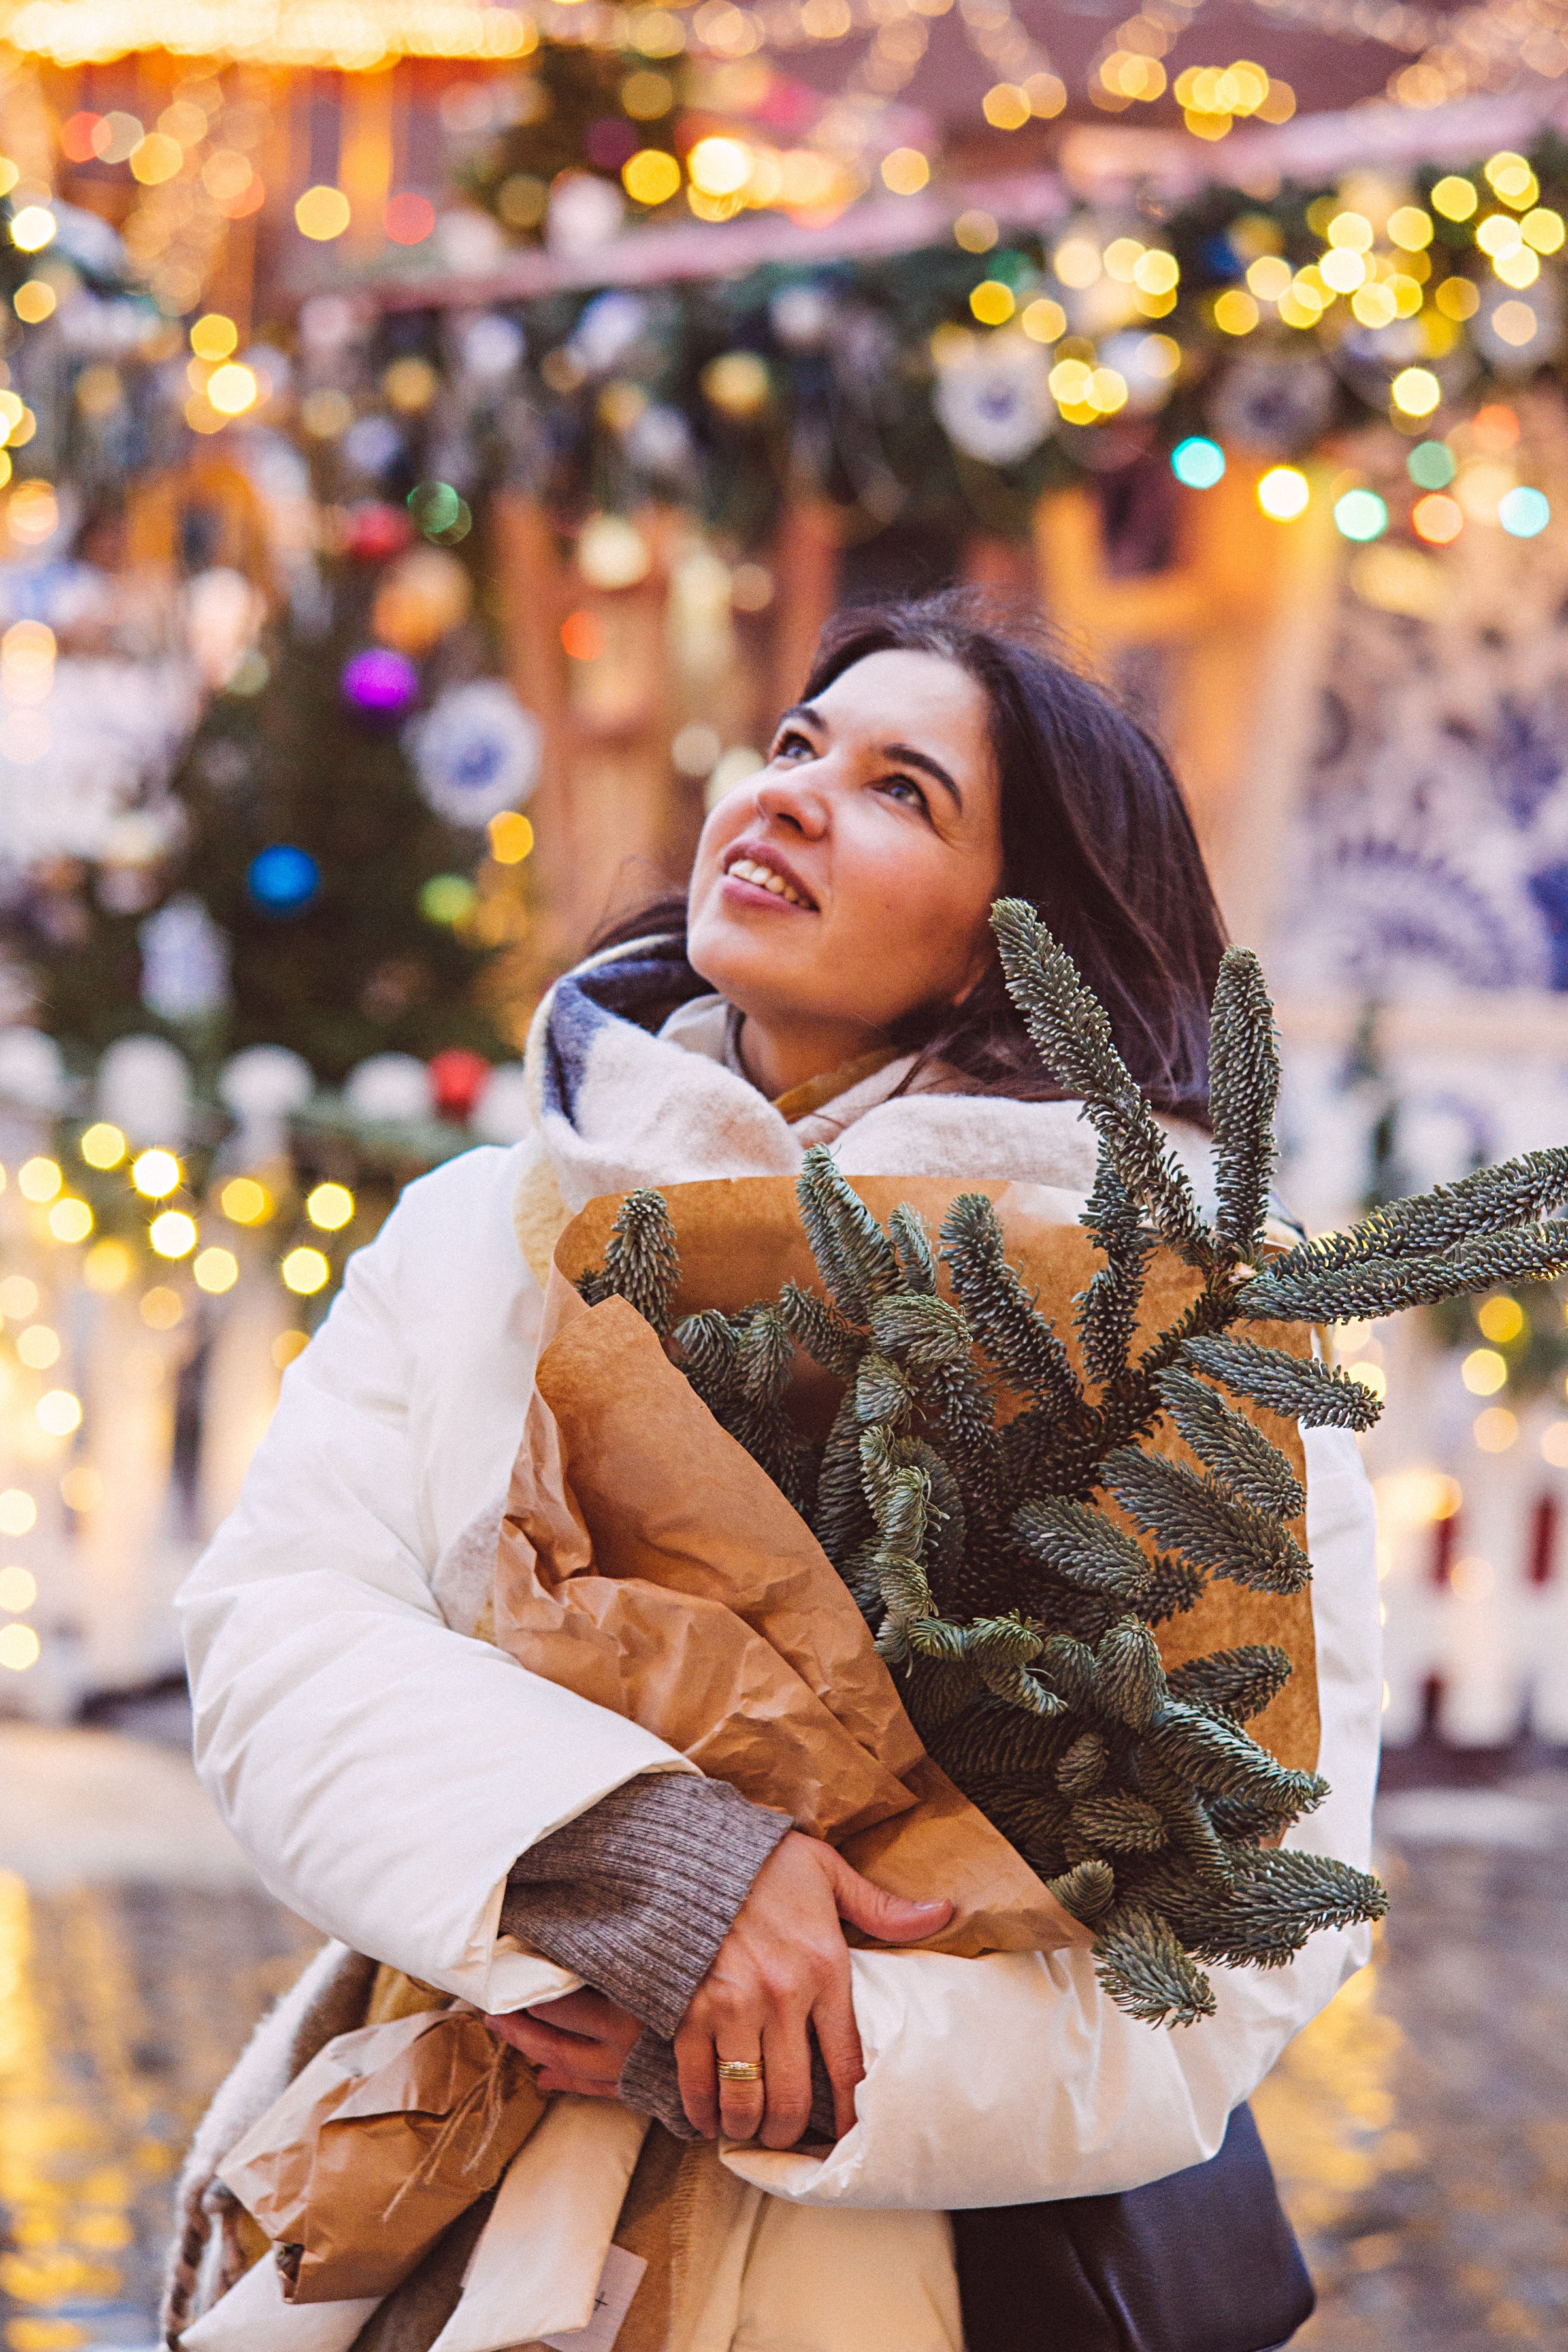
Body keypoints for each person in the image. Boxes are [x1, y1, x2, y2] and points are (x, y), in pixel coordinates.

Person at [176, 592, 1380, 2352]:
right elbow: (283, 1631)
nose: (795, 792)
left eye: (904, 790)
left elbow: (1253, 1928)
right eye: (802, 744)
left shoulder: (1163, 1336)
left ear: (1013, 947)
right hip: (469, 2187)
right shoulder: (487, 1236)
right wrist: (645, 1862)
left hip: (907, 2272)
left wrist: (815, 2055)